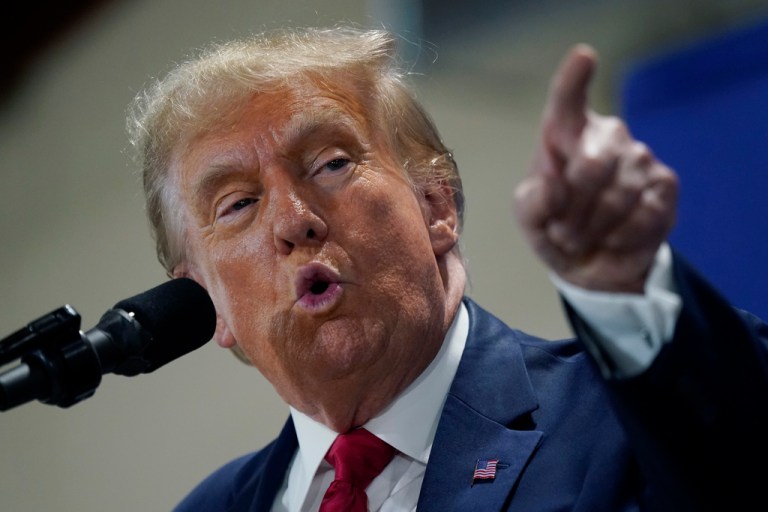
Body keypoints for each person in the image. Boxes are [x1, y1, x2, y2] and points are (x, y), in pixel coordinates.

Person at [125, 26, 768, 511]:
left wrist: (627, 288)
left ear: (435, 205)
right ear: (204, 302)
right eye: (238, 203)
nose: (294, 220)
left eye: (331, 164)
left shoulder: (624, 422)